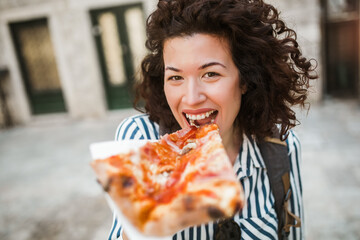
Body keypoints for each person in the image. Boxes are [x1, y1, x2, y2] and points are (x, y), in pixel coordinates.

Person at [109, 0, 317, 239]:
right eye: (176, 77)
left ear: (246, 79)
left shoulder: (283, 148)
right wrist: (141, 224)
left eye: (210, 74)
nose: (191, 98)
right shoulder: (139, 139)